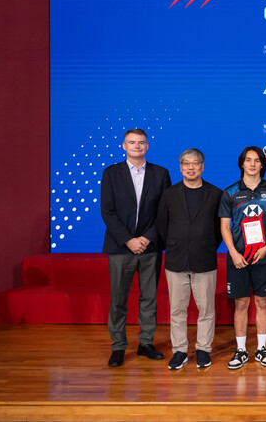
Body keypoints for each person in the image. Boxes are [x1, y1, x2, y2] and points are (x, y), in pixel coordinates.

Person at [100, 128, 172, 367]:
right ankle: (118, 346)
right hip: (121, 246)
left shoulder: (161, 173)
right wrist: (128, 239)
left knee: (149, 297)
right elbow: (107, 211)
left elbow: (164, 212)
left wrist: (147, 238)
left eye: (141, 142)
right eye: (132, 142)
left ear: (147, 146)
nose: (137, 146)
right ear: (124, 146)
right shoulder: (111, 173)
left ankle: (145, 343)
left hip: (150, 246)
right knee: (118, 299)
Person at [156, 148, 222, 370]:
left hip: (204, 259)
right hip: (176, 260)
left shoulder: (215, 194)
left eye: (195, 163)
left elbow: (219, 229)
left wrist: (205, 245)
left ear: (202, 166)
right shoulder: (169, 194)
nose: (191, 167)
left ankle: (203, 349)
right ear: (180, 166)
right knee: (177, 310)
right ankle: (180, 351)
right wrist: (176, 244)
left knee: (206, 309)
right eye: (186, 163)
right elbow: (162, 225)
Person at [219, 146, 266, 369]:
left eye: (257, 160)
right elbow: (225, 227)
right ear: (242, 164)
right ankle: (241, 350)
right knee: (241, 303)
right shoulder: (230, 193)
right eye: (248, 160)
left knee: (262, 302)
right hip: (239, 257)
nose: (253, 164)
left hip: (263, 256)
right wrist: (234, 253)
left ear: (262, 164)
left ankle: (261, 348)